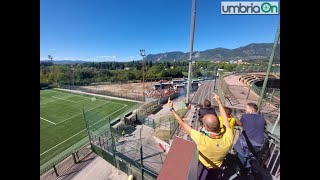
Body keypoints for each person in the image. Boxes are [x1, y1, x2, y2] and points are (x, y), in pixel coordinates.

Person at [168, 95, 233, 180]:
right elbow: (225, 118)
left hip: (203, 166)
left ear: (205, 127)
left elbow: (182, 123)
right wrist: (219, 102)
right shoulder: (229, 137)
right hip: (217, 168)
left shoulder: (201, 139)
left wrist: (171, 109)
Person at [233, 102, 266, 168]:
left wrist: (234, 116)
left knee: (240, 149)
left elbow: (240, 124)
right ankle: (248, 169)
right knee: (251, 156)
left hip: (247, 142)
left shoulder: (245, 116)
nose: (245, 110)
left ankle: (239, 168)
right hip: (259, 143)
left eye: (246, 108)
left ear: (251, 110)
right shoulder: (262, 118)